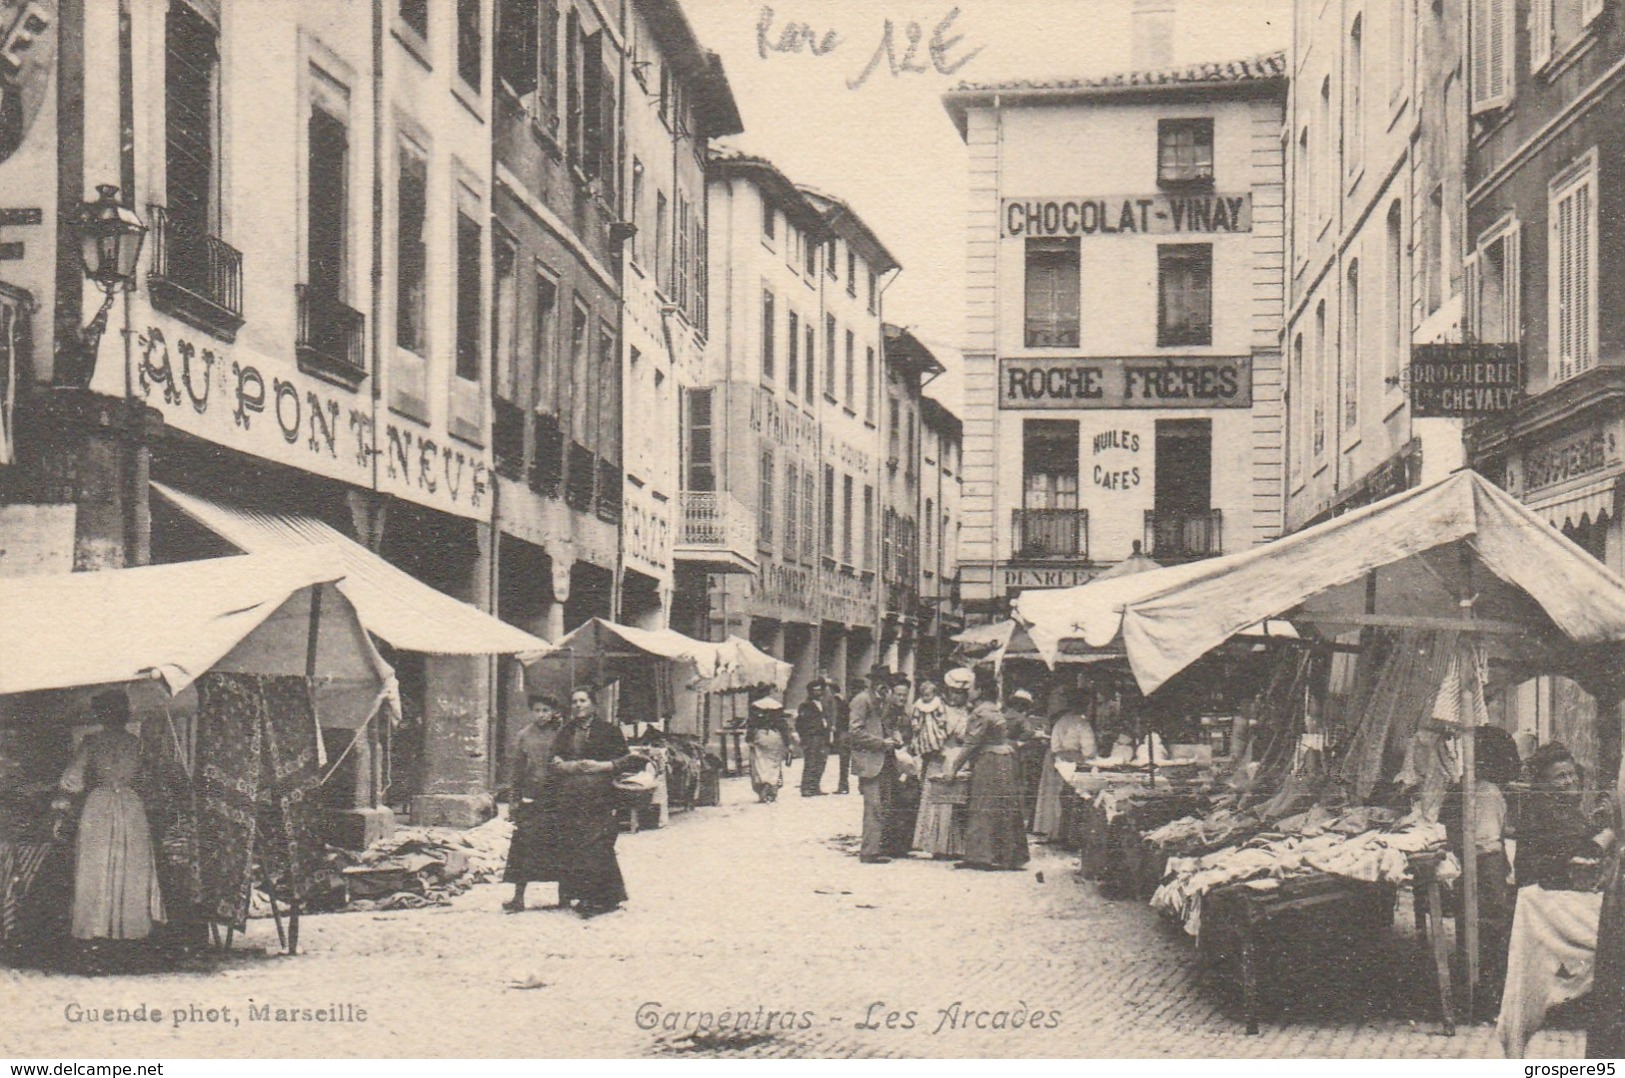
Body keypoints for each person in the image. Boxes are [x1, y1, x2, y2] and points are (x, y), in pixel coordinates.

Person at [51, 690, 166, 941]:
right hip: (130, 805)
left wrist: (62, 809)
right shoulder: (136, 744)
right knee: (130, 865)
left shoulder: (92, 742)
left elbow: (72, 779)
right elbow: (149, 783)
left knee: (97, 864)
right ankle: (128, 929)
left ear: (101, 715)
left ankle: (97, 928)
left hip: (100, 805)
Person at [1441, 725, 1522, 1010]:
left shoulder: (1466, 788)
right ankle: (1489, 994)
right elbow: (1492, 837)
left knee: (1470, 927)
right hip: (1487, 865)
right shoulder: (1488, 792)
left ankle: (1473, 988)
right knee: (1494, 927)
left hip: (1471, 863)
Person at [550, 688, 644, 918]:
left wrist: (604, 766)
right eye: (574, 702)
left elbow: (627, 761)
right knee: (576, 844)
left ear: (593, 704)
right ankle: (583, 895)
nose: (578, 705)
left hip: (599, 796)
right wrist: (566, 766)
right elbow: (554, 758)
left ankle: (604, 898)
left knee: (598, 844)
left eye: (583, 701)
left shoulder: (608, 731)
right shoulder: (566, 731)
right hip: (571, 797)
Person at [950, 674, 1030, 871]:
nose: (968, 691)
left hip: (989, 761)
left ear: (979, 692)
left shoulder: (981, 714)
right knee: (1003, 805)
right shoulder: (995, 710)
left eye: (971, 688)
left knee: (982, 804)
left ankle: (980, 856)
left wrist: (953, 768)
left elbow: (971, 744)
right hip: (1004, 760)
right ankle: (1006, 855)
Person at [1517, 743, 1616, 892]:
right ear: (1544, 784)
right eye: (1561, 777)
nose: (1570, 781)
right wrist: (1604, 838)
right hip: (1549, 899)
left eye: (1572, 773)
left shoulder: (1566, 808)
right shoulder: (1542, 811)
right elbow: (1576, 856)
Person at [502, 694, 565, 913]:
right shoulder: (523, 736)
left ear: (553, 712)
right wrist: (514, 801)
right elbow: (517, 771)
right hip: (531, 797)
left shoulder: (561, 734)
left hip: (557, 798)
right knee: (524, 848)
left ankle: (563, 896)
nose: (541, 715)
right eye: (537, 710)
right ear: (531, 712)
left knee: (559, 845)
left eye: (545, 710)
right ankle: (518, 898)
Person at [914, 671, 971, 859]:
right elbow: (927, 734)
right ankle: (937, 845)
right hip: (940, 757)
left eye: (961, 693)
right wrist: (938, 750)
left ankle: (958, 846)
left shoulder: (969, 712)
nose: (957, 696)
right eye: (954, 691)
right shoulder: (937, 708)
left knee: (958, 801)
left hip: (962, 758)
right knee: (938, 802)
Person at [847, 674, 902, 863]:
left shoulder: (885, 701)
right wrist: (880, 743)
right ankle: (869, 852)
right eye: (884, 685)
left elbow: (890, 725)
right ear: (875, 683)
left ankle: (877, 847)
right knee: (873, 806)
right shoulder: (861, 700)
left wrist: (896, 736)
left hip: (885, 760)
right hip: (869, 760)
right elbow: (854, 732)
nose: (886, 689)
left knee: (883, 805)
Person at [1034, 691, 1096, 846]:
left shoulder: (1061, 721)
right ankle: (1070, 835)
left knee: (1056, 796)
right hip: (1075, 761)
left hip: (1057, 759)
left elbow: (1054, 744)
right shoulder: (1082, 723)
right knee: (1075, 796)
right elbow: (1089, 749)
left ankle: (1055, 832)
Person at [883, 679, 921, 858]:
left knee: (908, 801)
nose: (902, 698)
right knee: (893, 802)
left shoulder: (906, 714)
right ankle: (891, 844)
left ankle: (903, 843)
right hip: (890, 762)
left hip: (906, 761)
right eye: (898, 694)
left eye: (905, 695)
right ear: (891, 693)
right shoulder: (885, 714)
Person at [1005, 689, 1046, 830]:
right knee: (1018, 781)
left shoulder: (1004, 714)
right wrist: (1020, 742)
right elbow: (1029, 732)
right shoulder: (1021, 718)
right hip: (1015, 749)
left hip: (1002, 747)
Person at [746, 697, 795, 803]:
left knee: (760, 762)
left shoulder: (756, 715)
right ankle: (772, 784)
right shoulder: (778, 716)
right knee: (774, 763)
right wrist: (788, 744)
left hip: (760, 736)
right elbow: (784, 729)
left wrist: (749, 740)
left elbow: (750, 729)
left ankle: (763, 782)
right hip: (775, 737)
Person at [795, 681, 833, 796]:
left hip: (823, 736)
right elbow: (800, 723)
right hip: (812, 737)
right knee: (810, 762)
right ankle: (806, 788)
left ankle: (815, 786)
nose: (818, 692)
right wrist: (805, 736)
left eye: (819, 690)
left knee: (821, 761)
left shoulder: (823, 703)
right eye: (815, 690)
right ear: (810, 692)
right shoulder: (805, 705)